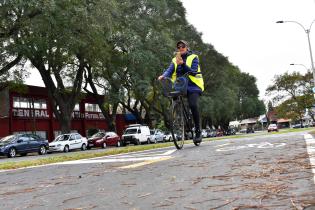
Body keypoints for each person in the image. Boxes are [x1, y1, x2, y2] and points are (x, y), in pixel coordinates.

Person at [158, 40, 204, 143]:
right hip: (181, 85)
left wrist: (183, 64)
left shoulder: (193, 57)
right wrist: (163, 76)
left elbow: (193, 72)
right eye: (178, 47)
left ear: (187, 47)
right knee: (174, 97)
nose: (181, 48)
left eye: (183, 46)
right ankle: (180, 115)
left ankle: (198, 131)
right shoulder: (175, 59)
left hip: (193, 85)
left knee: (193, 105)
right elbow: (169, 70)